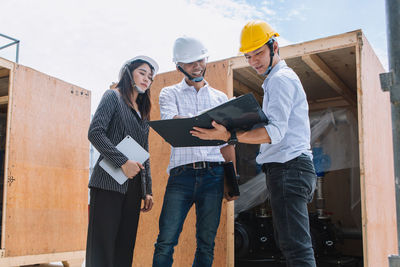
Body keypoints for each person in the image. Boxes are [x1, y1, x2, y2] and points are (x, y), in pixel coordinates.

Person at [191, 20, 317, 267]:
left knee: (296, 248)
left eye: (258, 52)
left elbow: (275, 132)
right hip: (288, 169)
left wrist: (230, 136)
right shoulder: (274, 81)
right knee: (291, 244)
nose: (254, 61)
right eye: (248, 56)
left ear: (275, 46)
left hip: (289, 168)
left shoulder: (280, 79)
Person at [152, 36, 236, 267]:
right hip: (181, 176)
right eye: (190, 63)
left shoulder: (220, 98)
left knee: (206, 243)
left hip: (214, 176)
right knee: (166, 241)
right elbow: (171, 123)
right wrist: (210, 127)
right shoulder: (169, 94)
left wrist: (232, 180)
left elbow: (227, 143)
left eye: (200, 59)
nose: (197, 66)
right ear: (178, 66)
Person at [86, 55, 158, 267]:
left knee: (124, 247)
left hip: (133, 187)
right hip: (108, 182)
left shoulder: (143, 113)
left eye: (150, 77)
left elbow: (144, 152)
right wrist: (122, 162)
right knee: (102, 247)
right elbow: (95, 133)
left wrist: (148, 189)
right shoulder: (112, 96)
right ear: (129, 73)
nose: (147, 79)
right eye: (142, 73)